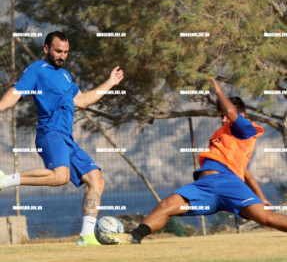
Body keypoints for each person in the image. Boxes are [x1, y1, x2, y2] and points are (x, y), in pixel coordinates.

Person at [105, 78, 287, 245]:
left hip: (229, 185)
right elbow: (246, 172)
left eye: (225, 114)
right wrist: (261, 196)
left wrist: (219, 93)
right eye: (221, 115)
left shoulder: (246, 129)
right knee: (167, 205)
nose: (223, 118)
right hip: (205, 187)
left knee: (266, 218)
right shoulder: (224, 135)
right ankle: (134, 237)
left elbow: (231, 112)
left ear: (242, 115)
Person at [0, 31, 124, 246]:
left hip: (67, 139)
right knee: (60, 177)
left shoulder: (66, 76)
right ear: (46, 48)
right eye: (58, 51)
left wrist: (110, 82)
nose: (62, 56)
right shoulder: (37, 70)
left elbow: (84, 100)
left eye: (66, 52)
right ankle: (4, 181)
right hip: (50, 134)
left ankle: (86, 237)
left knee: (96, 179)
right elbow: (17, 91)